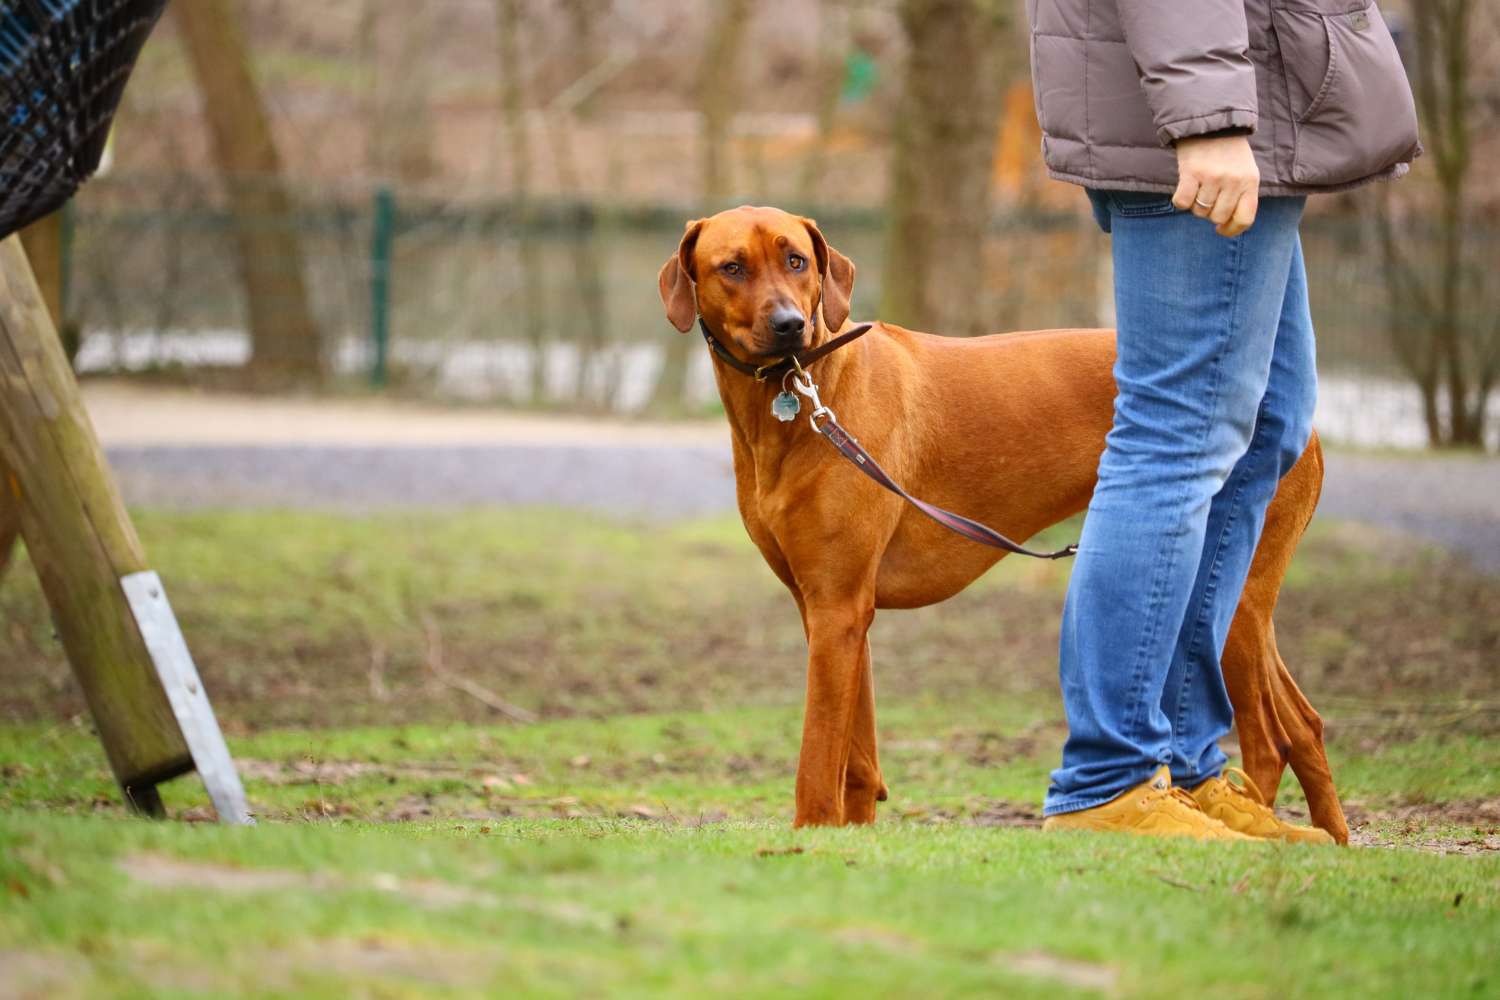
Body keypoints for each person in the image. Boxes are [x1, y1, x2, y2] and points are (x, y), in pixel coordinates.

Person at [1026, 0, 1420, 840]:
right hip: (1211, 120)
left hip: (1247, 110)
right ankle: (1110, 778)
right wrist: (1208, 119)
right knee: (1177, 434)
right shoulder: (1210, 118)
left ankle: (1187, 765)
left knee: (1266, 426)